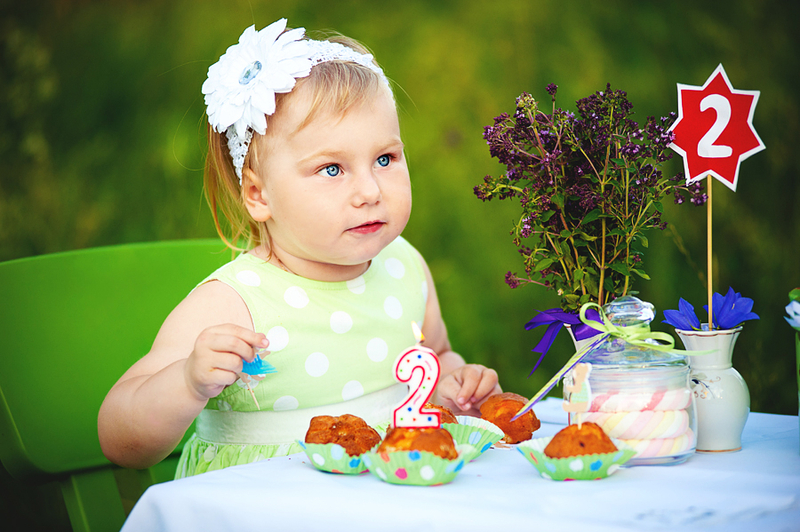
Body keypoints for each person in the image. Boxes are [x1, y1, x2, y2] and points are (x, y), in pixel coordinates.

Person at [98, 19, 501, 478]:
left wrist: (455, 386)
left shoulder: (404, 267)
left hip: (387, 493)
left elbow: (436, 356)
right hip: (263, 502)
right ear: (258, 195)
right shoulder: (233, 305)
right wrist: (188, 382)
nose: (370, 191)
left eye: (384, 159)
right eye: (332, 169)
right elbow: (119, 440)